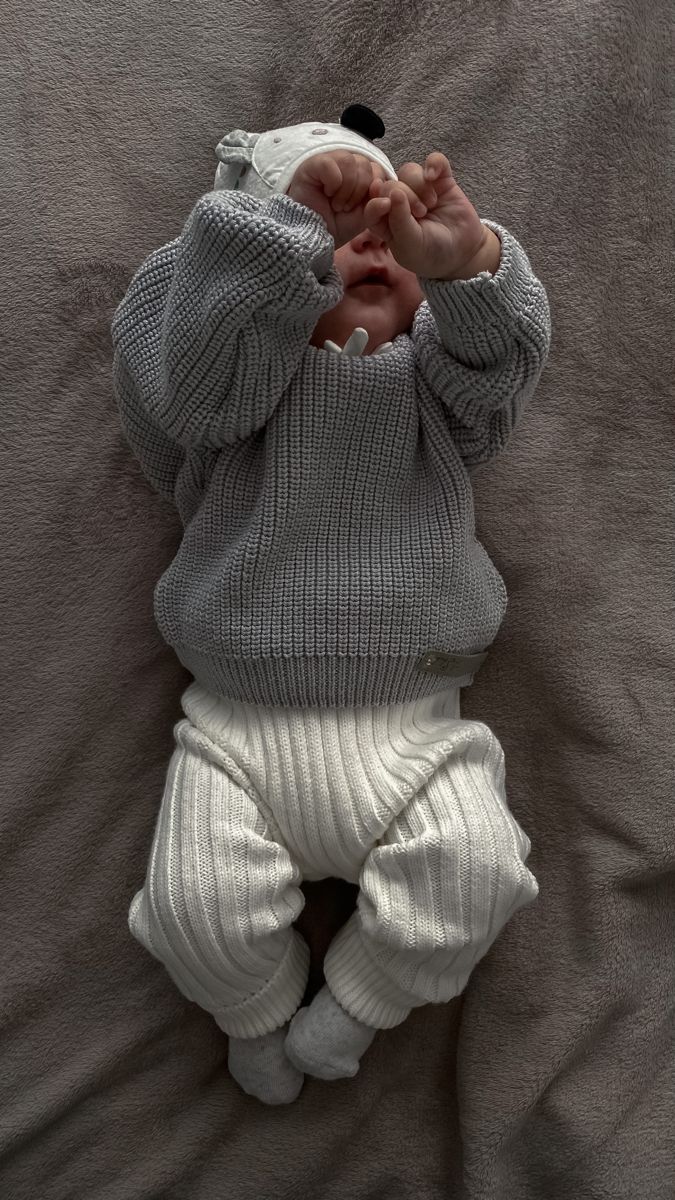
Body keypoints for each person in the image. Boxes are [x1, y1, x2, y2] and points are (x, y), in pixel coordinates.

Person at [111, 109, 551, 1106]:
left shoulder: (432, 390)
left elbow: (502, 372)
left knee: (476, 873)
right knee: (195, 910)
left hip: (421, 721)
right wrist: (276, 235)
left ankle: (353, 1006)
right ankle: (256, 1007)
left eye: (383, 234)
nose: (365, 243)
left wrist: (465, 265)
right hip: (236, 731)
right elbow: (179, 368)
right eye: (321, 237)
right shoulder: (228, 411)